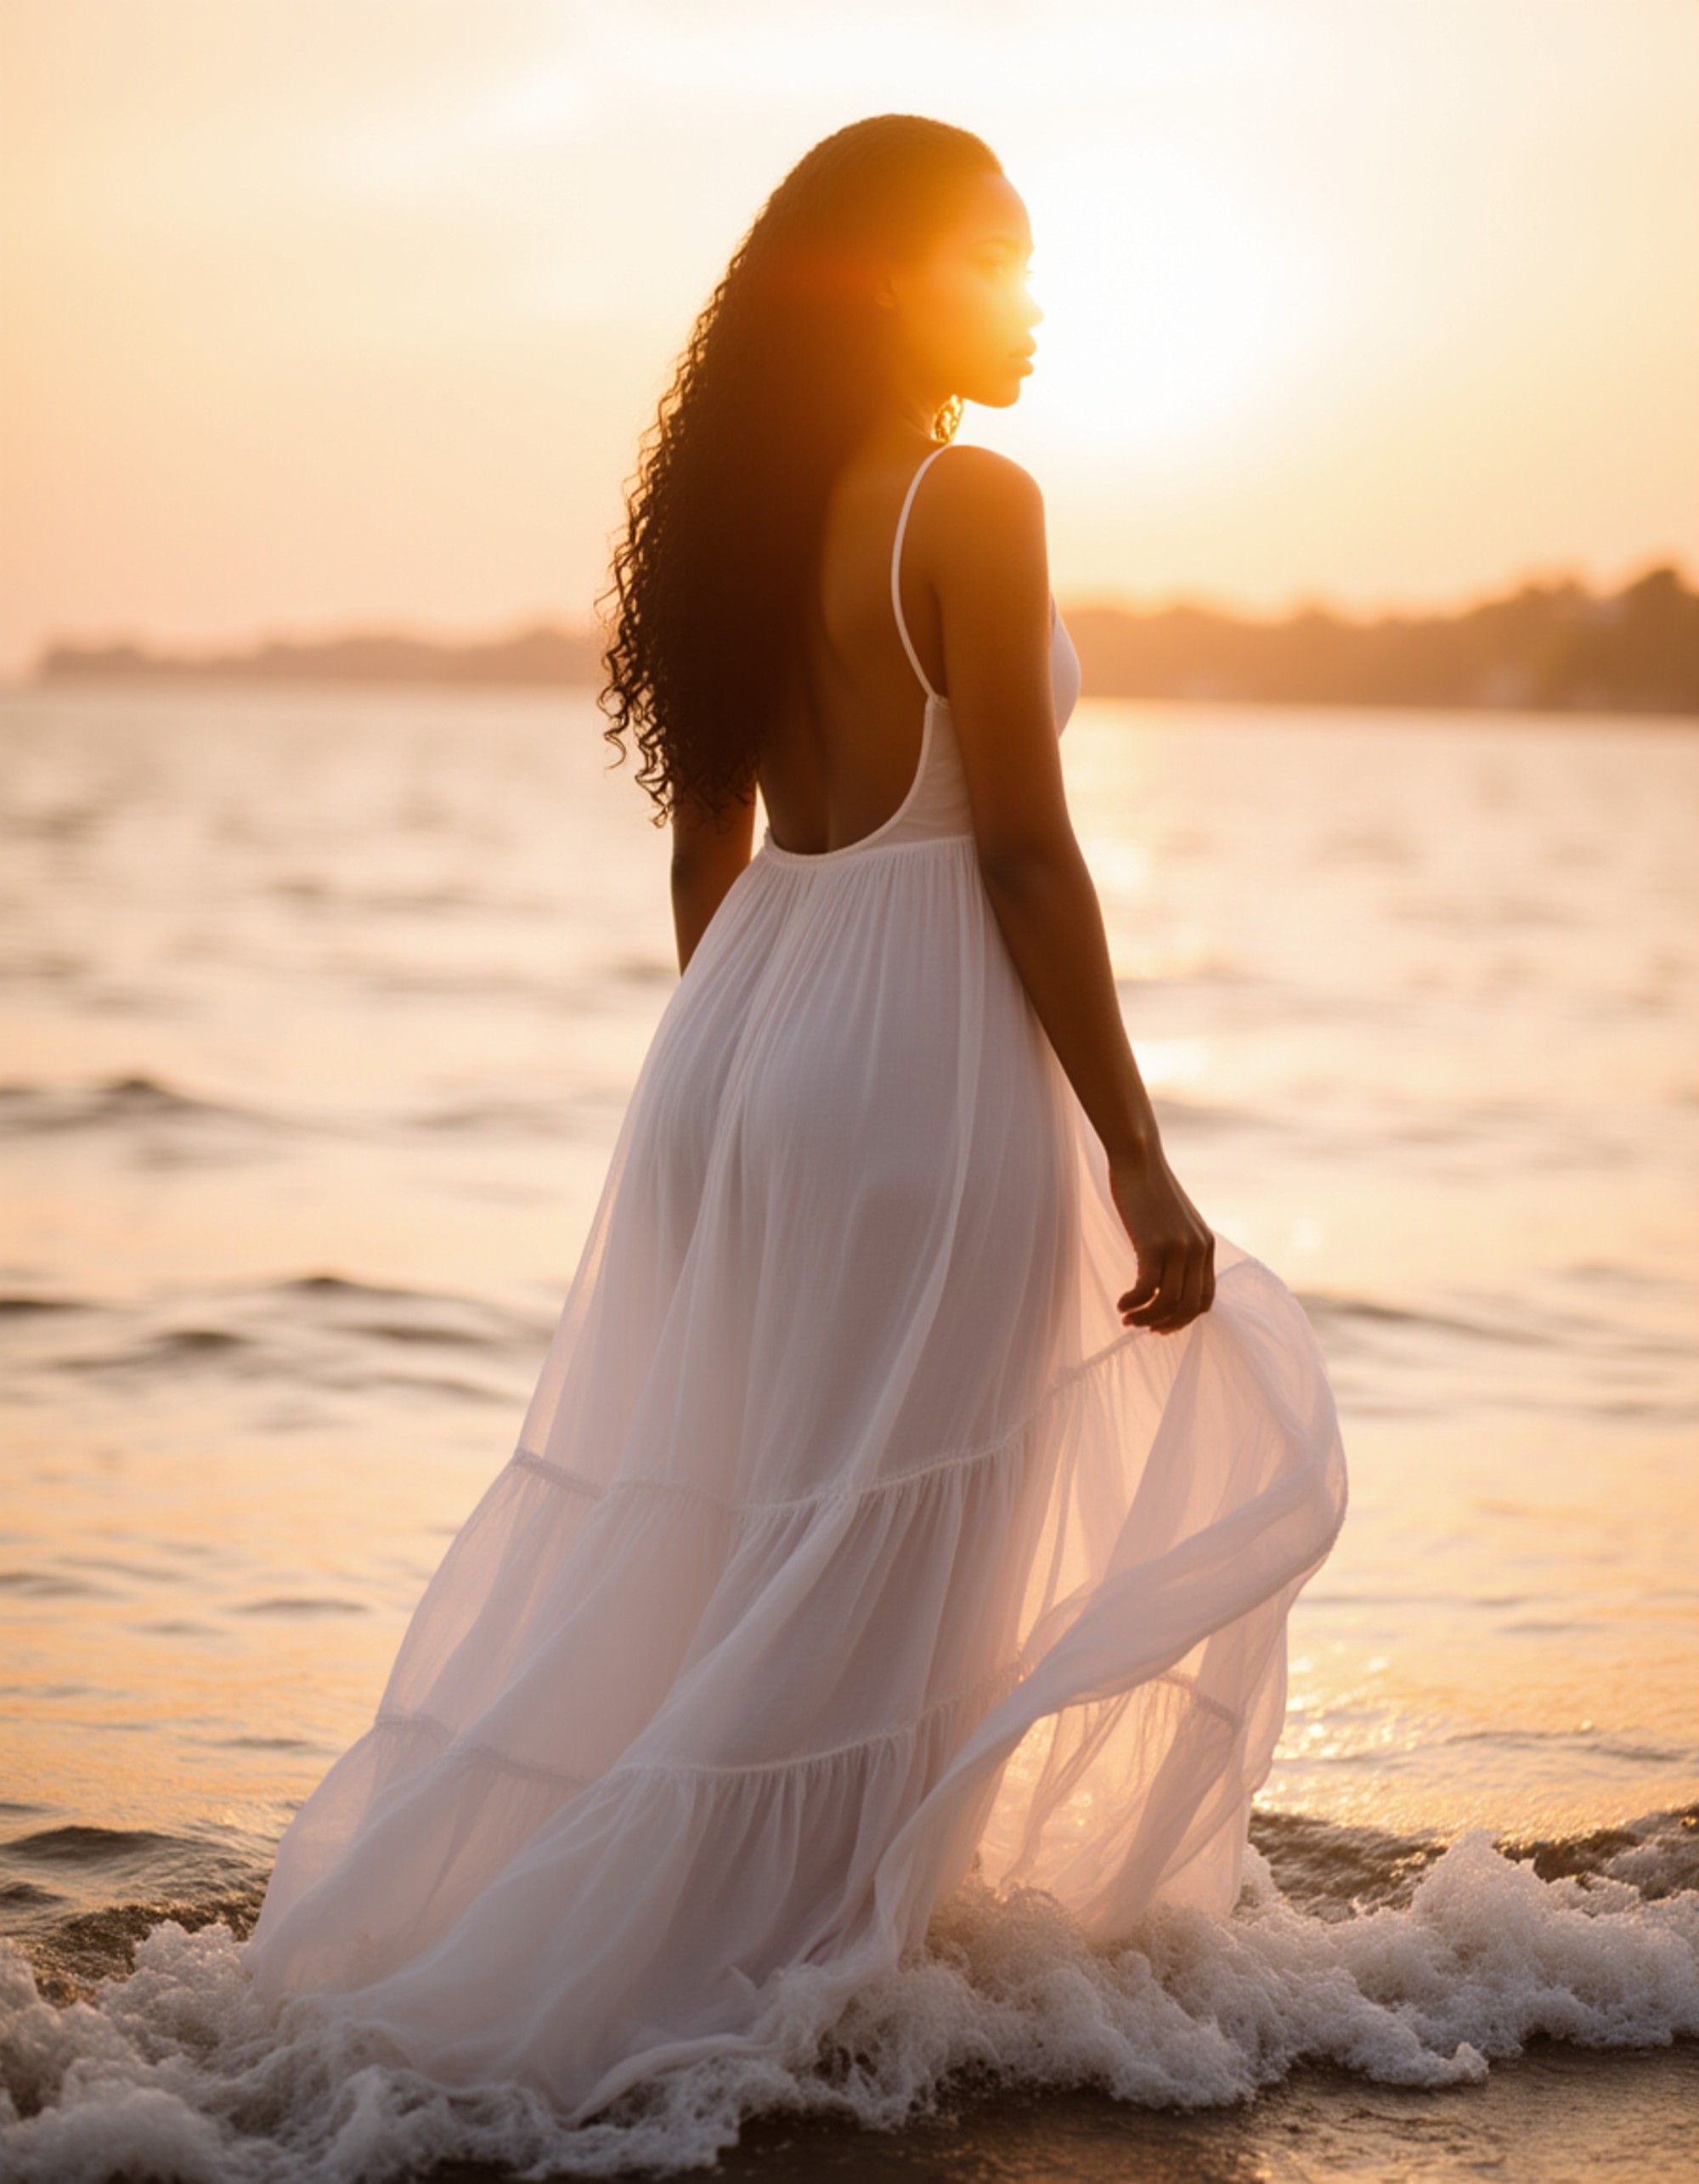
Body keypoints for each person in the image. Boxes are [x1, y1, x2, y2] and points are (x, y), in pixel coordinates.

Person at [238, 113, 1347, 2126]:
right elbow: (1020, 850)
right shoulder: (971, 501)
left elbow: (710, 849)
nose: (1030, 298)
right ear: (891, 279)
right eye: (994, 257)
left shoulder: (747, 517)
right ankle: (782, 1996)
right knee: (896, 1540)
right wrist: (1136, 1147)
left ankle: (688, 1953)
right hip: (920, 1061)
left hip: (746, 1045)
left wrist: (742, 1085)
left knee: (760, 1521)